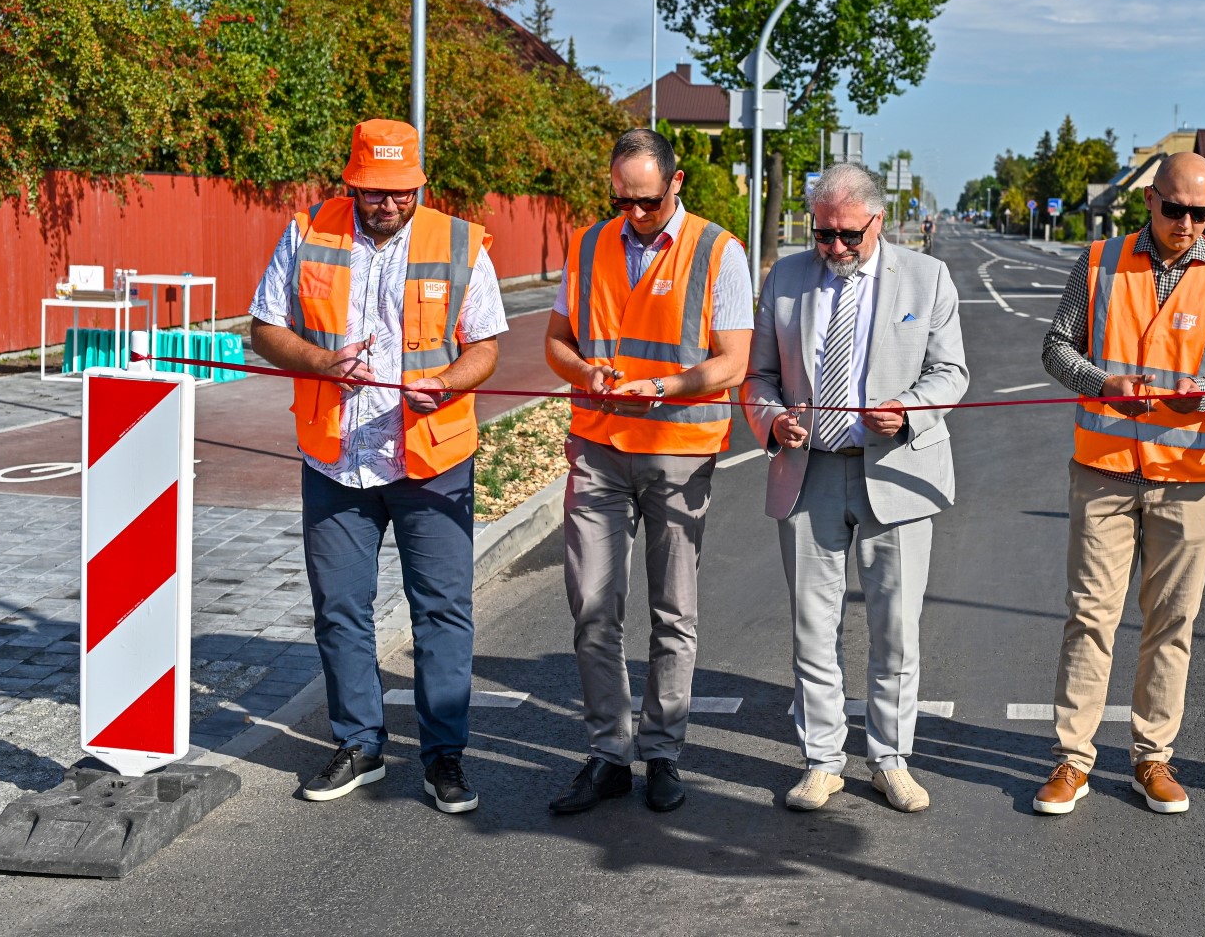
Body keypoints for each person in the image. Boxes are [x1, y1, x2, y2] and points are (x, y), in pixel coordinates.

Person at [249, 118, 507, 814]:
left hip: (431, 458)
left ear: (419, 184)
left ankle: (443, 754)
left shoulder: (459, 242)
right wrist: (320, 361)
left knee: (442, 611)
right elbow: (265, 328)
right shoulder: (308, 232)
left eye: (400, 192)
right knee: (340, 609)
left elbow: (485, 345)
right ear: (351, 182)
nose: (386, 204)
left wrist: (449, 381)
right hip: (336, 458)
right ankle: (359, 744)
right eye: (372, 191)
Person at [1035, 152, 1205, 815]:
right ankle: (1072, 760)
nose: (1187, 223)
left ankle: (1152, 757)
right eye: (1175, 209)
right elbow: (1056, 347)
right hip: (1104, 468)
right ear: (1149, 201)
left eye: (1201, 213)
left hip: (1190, 475)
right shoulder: (1098, 262)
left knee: (1172, 620)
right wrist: (1102, 382)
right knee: (1089, 616)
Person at [741, 162, 968, 814]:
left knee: (895, 627)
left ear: (878, 220)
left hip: (896, 473)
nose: (835, 247)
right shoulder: (785, 278)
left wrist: (909, 410)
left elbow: (950, 372)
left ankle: (890, 759)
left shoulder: (926, 277)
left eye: (848, 235)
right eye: (823, 234)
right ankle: (821, 762)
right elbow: (757, 376)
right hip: (807, 470)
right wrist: (771, 419)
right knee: (813, 627)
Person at [543, 128, 752, 815]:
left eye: (647, 201)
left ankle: (662, 751)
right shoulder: (587, 245)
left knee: (673, 610)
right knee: (592, 607)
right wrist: (584, 371)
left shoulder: (718, 251)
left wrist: (665, 386)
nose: (633, 213)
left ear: (676, 182)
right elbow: (557, 342)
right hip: (598, 445)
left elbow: (733, 362)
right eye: (621, 200)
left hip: (678, 450)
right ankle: (609, 753)